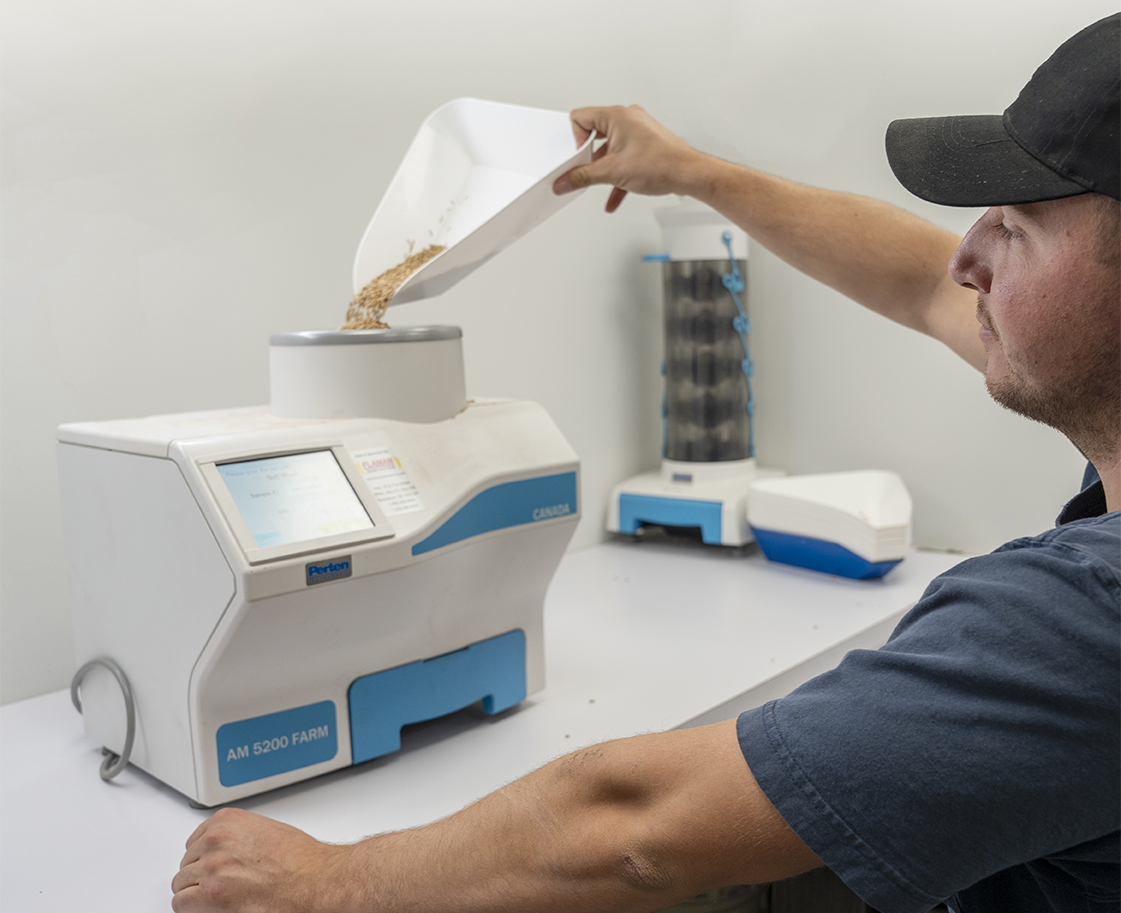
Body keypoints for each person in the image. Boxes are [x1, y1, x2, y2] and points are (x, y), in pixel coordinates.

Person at [171, 15, 1119, 913]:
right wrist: (692, 173)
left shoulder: (1078, 627)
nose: (965, 258)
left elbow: (633, 828)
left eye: (1017, 225)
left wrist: (328, 884)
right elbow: (913, 278)